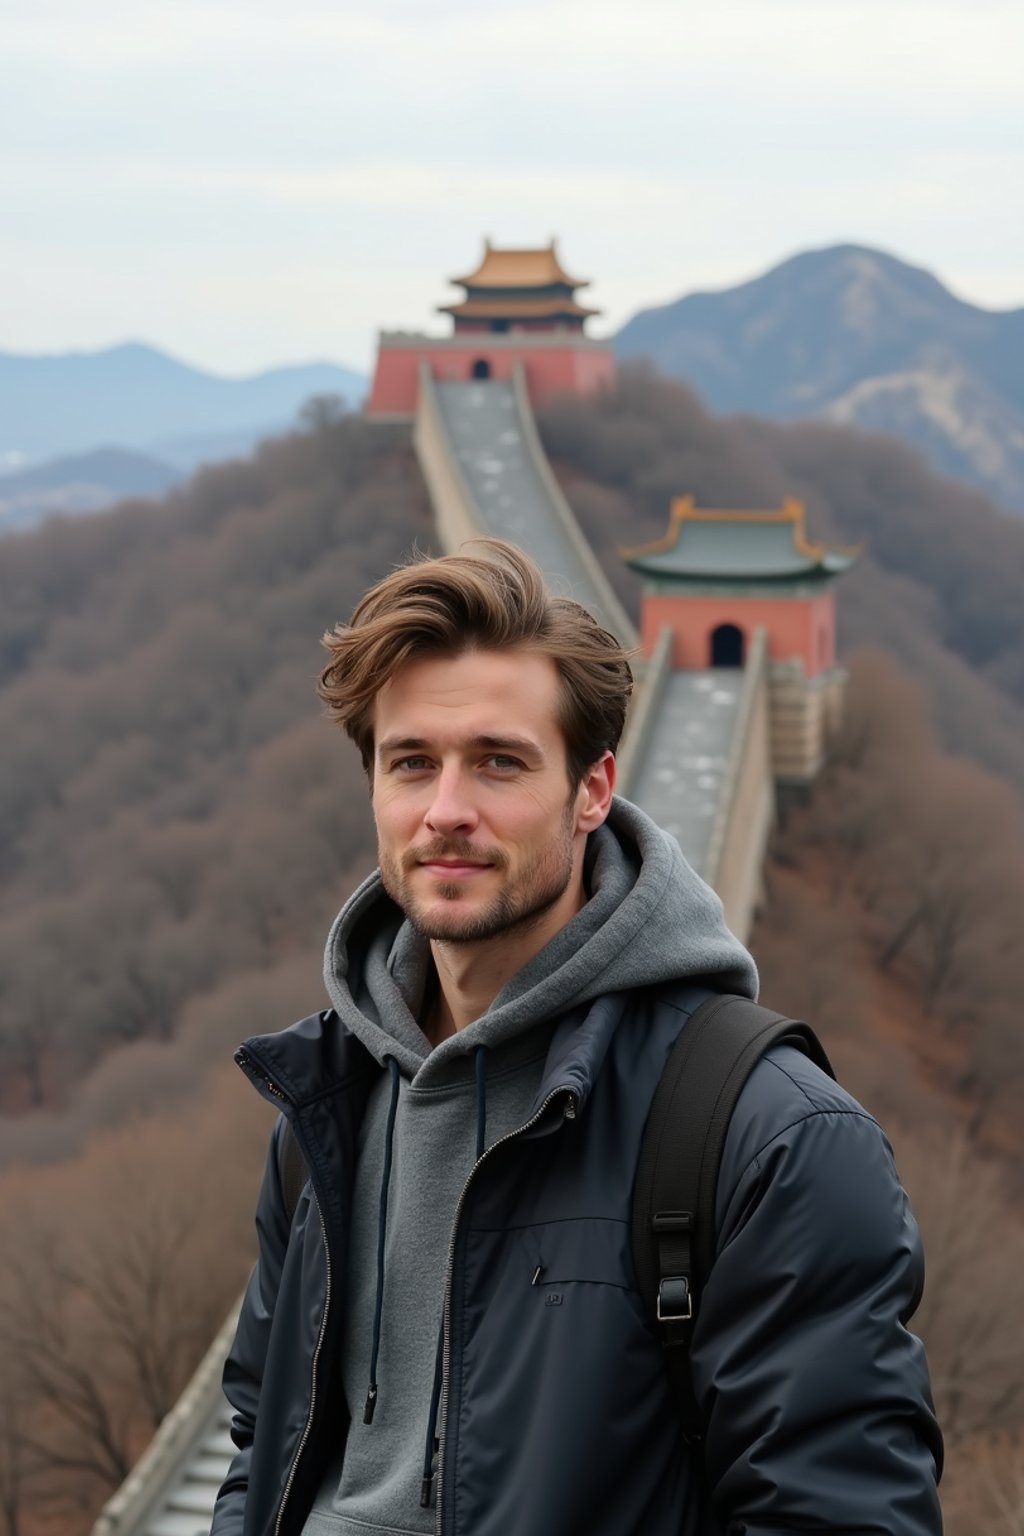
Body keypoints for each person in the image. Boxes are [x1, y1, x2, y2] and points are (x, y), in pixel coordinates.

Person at [213, 539, 942, 1536]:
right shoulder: (321, 1110)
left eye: (499, 763)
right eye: (411, 763)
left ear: (592, 790)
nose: (446, 810)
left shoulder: (764, 1136)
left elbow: (838, 1513)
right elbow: (260, 1443)